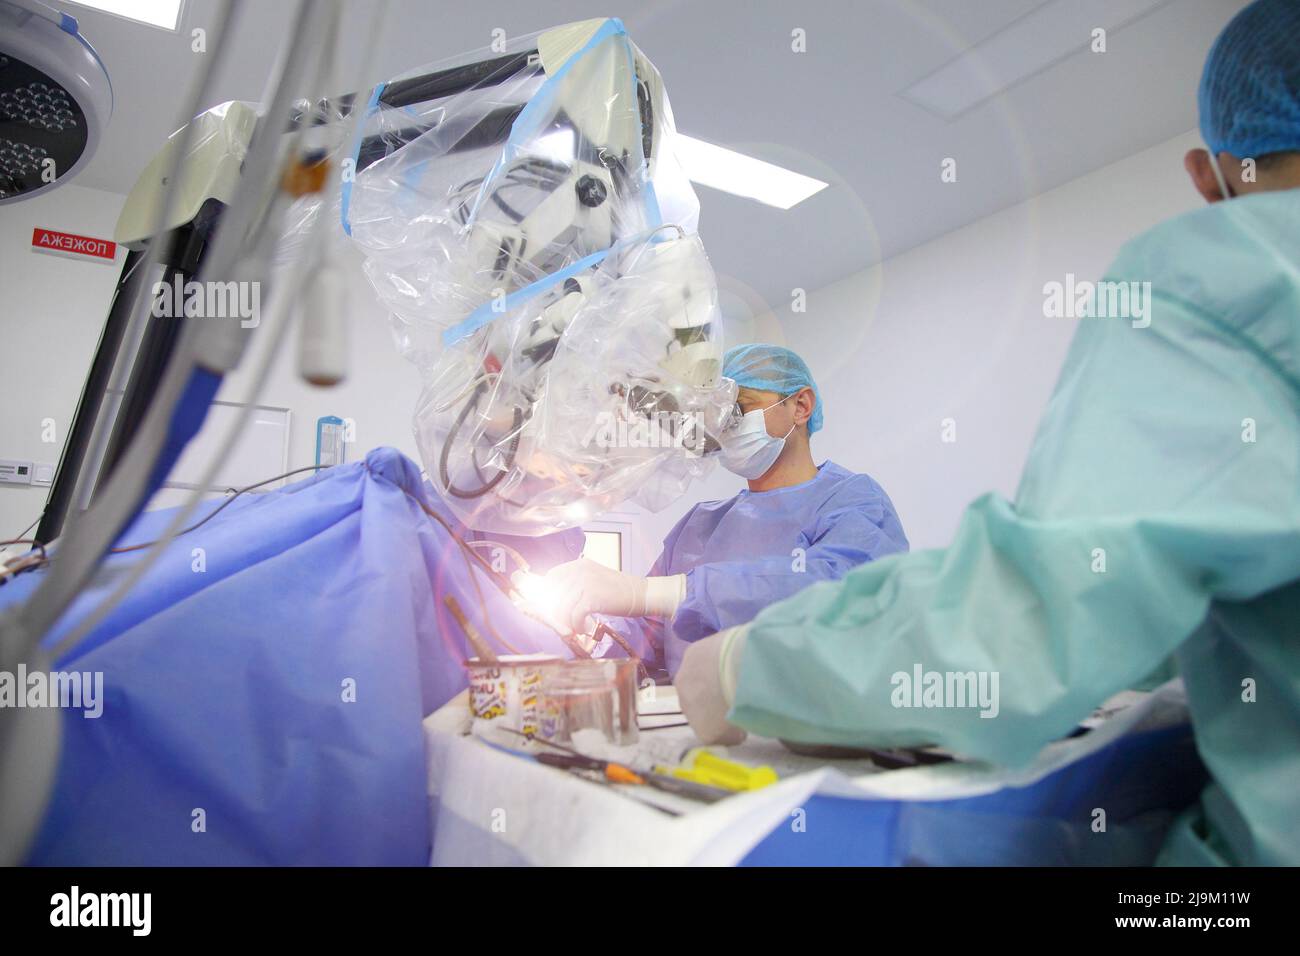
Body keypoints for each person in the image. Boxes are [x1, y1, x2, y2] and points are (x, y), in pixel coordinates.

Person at [676, 0, 1300, 867]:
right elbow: (1195, 606)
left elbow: (1021, 631)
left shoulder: (1228, 280)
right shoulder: (698, 523)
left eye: (743, 401)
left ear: (1208, 177)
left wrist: (740, 663)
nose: (727, 427)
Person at [532, 344, 908, 674]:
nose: (725, 431)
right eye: (715, 419)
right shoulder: (700, 525)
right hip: (698, 736)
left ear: (800, 406)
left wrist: (651, 592)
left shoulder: (853, 499)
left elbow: (841, 591)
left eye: (737, 411)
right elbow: (643, 642)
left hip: (814, 737)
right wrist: (588, 631)